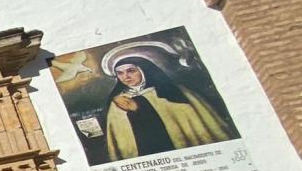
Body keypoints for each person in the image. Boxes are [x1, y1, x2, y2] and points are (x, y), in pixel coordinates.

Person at [100, 55, 233, 162]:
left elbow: (198, 122)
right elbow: (120, 138)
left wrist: (139, 106)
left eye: (131, 71)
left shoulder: (174, 92)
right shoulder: (118, 102)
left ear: (143, 71)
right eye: (120, 73)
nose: (126, 77)